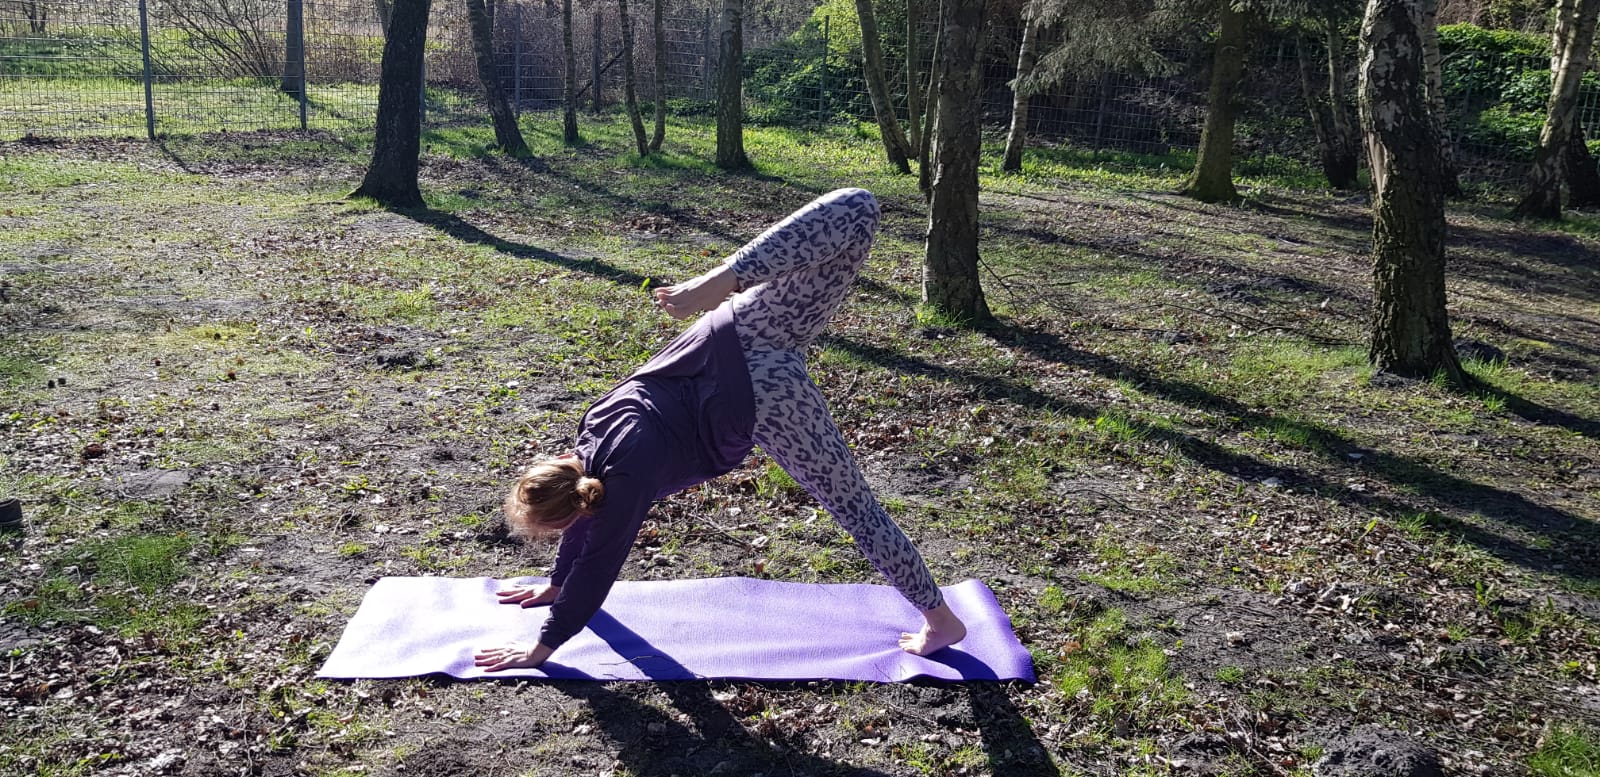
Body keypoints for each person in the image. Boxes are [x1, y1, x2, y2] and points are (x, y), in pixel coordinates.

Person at [473, 188, 966, 672]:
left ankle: (940, 621)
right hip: (744, 325)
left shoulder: (618, 490)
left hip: (760, 394)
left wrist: (544, 644)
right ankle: (725, 276)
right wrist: (559, 583)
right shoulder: (594, 424)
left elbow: (597, 560)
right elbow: (586, 538)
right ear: (559, 464)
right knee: (856, 206)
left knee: (857, 510)